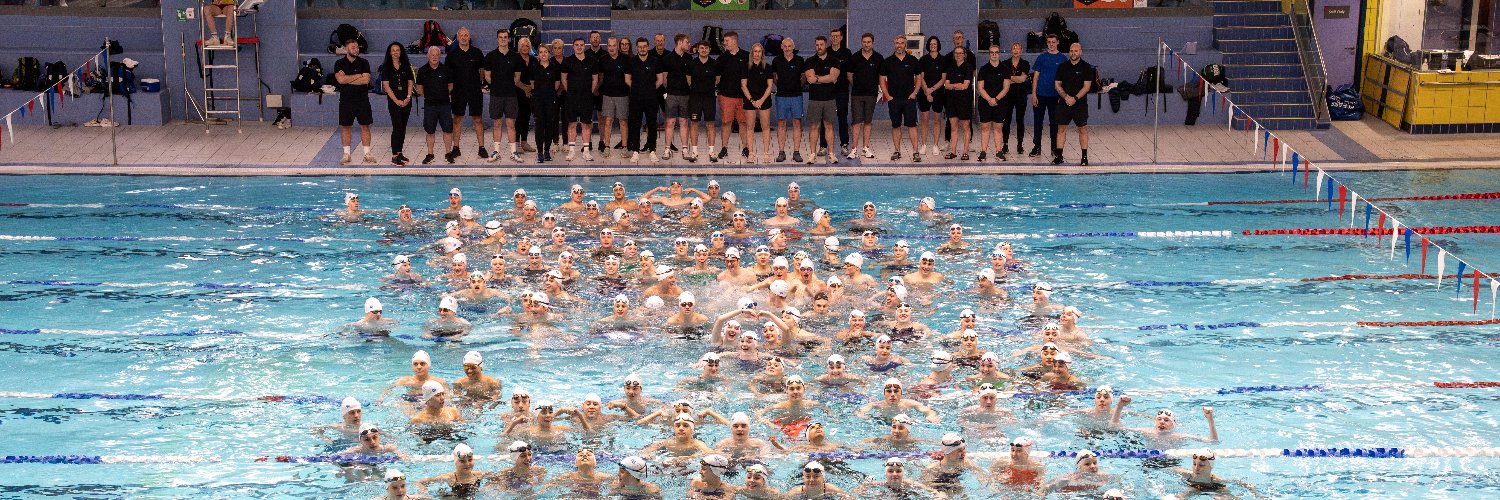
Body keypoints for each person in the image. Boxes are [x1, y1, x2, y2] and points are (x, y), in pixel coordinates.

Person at [483, 29, 525, 163]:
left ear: (509, 39)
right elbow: (487, 76)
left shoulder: (515, 57)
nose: (503, 39)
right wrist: (498, 85)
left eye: (505, 37)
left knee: (510, 123)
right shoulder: (490, 56)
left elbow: (517, 78)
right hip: (496, 95)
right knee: (497, 123)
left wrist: (506, 85)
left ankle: (514, 152)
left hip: (511, 95)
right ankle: (496, 151)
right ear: (497, 39)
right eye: (500, 37)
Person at [446, 27, 488, 161]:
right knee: (457, 119)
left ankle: (481, 148)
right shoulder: (452, 55)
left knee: (478, 119)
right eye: (462, 35)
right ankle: (456, 148)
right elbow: (448, 75)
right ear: (458, 38)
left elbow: (482, 70)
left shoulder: (477, 53)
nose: (464, 37)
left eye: (466, 35)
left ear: (469, 37)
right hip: (458, 92)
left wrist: (479, 83)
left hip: (475, 91)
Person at [333, 39, 374, 165]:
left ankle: (367, 154)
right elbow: (340, 81)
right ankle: (346, 154)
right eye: (353, 47)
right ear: (346, 49)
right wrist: (358, 76)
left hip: (362, 100)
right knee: (346, 127)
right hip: (346, 101)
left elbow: (366, 80)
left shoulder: (364, 62)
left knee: (365, 126)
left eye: (357, 47)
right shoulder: (339, 63)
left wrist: (348, 78)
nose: (356, 49)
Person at [881, 34, 921, 161]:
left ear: (905, 44)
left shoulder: (913, 60)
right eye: (897, 43)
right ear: (894, 44)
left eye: (902, 43)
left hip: (909, 99)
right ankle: (897, 151)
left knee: (912, 126)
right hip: (894, 99)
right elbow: (881, 80)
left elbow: (919, 78)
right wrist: (887, 95)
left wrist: (915, 93)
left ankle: (915, 152)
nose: (899, 45)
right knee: (896, 126)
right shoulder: (887, 61)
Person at [1112, 400, 1221, 447]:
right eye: (1159, 419)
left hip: (1171, 461)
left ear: (1174, 424)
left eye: (1166, 420)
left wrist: (1210, 419)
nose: (1162, 422)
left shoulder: (1179, 436)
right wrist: (1119, 406)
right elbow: (1115, 428)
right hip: (1149, 459)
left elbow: (1213, 441)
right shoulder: (1147, 432)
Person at [803, 36, 842, 166]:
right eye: (817, 45)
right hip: (815, 99)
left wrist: (818, 79)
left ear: (826, 45)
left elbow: (833, 77)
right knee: (814, 127)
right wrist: (826, 78)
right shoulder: (809, 61)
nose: (819, 47)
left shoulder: (834, 61)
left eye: (821, 44)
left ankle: (831, 153)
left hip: (830, 99)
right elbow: (809, 79)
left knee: (829, 126)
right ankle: (813, 154)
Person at [1053, 42, 1094, 166]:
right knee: (1061, 129)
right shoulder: (1062, 67)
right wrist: (1066, 97)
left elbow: (1087, 87)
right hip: (1064, 103)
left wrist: (1074, 98)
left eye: (1076, 51)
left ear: (1080, 52)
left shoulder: (1086, 67)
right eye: (1071, 51)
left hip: (1080, 104)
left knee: (1083, 129)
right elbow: (1057, 84)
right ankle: (1059, 156)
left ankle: (1084, 157)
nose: (1073, 53)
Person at [626, 37, 665, 163]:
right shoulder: (631, 62)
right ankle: (636, 150)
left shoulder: (655, 61)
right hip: (636, 98)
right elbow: (627, 79)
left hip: (651, 98)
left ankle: (652, 150)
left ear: (648, 47)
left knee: (652, 125)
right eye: (640, 46)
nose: (642, 49)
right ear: (636, 48)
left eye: (644, 46)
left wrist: (649, 89)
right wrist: (638, 88)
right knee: (635, 124)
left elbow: (660, 79)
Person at [414, 46, 455, 165]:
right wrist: (431, 95)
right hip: (430, 106)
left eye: (437, 55)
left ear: (440, 56)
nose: (435, 57)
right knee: (430, 131)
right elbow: (419, 88)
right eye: (432, 55)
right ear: (428, 56)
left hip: (444, 105)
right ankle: (430, 154)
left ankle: (448, 154)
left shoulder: (446, 70)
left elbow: (450, 85)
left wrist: (441, 94)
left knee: (448, 130)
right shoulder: (422, 71)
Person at [561, 38, 600, 162]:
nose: (579, 47)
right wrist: (571, 92)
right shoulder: (567, 61)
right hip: (572, 97)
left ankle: (586, 152)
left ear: (585, 46)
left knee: (586, 125)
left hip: (586, 98)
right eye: (576, 45)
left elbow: (595, 79)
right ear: (572, 47)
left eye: (581, 45)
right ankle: (572, 151)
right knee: (571, 124)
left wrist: (589, 92)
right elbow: (563, 79)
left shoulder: (592, 61)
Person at [1029, 34, 1067, 158]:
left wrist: (1063, 95)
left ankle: (1054, 148)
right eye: (1049, 42)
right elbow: (1035, 77)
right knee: (1038, 122)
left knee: (1054, 123)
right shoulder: (1041, 57)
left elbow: (1065, 80)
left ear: (1058, 42)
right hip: (1040, 95)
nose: (1051, 44)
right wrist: (1034, 94)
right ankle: (1037, 146)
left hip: (1055, 96)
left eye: (1053, 42)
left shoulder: (1062, 59)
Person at [1171, 448, 1266, 498]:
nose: (1196, 468)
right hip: (1194, 487)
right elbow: (1167, 470)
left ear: (1211, 467)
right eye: (1194, 464)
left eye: (1201, 465)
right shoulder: (1186, 474)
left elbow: (1239, 482)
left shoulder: (1216, 480)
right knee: (1180, 496)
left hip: (1215, 488)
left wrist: (1256, 493)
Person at [378, 42, 415, 166]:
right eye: (393, 50)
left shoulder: (406, 66)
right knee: (397, 126)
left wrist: (408, 97)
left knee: (403, 127)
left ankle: (399, 152)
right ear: (389, 52)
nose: (395, 52)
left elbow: (410, 83)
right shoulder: (386, 67)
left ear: (401, 52)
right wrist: (396, 100)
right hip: (394, 102)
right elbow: (386, 86)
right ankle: (394, 156)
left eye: (397, 50)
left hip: (406, 101)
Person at [847, 33, 883, 159]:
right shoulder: (855, 57)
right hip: (857, 94)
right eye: (864, 42)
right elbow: (850, 75)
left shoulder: (878, 58)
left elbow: (881, 77)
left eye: (868, 42)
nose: (866, 44)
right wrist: (857, 85)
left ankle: (865, 148)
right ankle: (854, 149)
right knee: (856, 121)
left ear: (872, 43)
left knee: (868, 121)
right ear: (861, 42)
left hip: (871, 94)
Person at [715, 31, 749, 161]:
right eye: (724, 41)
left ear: (735, 41)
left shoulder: (746, 56)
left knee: (743, 123)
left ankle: (746, 148)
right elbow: (717, 77)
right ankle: (724, 148)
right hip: (726, 96)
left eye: (727, 41)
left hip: (743, 97)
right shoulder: (722, 58)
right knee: (726, 122)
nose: (724, 43)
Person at [771, 37, 806, 164]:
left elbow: (803, 77)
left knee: (797, 123)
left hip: (796, 96)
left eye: (789, 46)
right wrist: (781, 86)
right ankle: (781, 152)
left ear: (793, 46)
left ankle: (796, 152)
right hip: (781, 96)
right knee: (781, 124)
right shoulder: (776, 60)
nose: (787, 48)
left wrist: (796, 86)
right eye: (785, 46)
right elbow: (774, 77)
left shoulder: (800, 60)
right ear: (781, 47)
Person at [526, 43, 562, 163]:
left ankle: (547, 151)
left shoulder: (554, 68)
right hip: (537, 101)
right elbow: (532, 83)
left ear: (549, 53)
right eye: (540, 52)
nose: (543, 54)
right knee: (539, 126)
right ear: (538, 55)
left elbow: (557, 85)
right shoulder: (534, 67)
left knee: (549, 126)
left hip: (551, 100)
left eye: (545, 52)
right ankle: (540, 152)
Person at [685, 41, 719, 163]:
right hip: (695, 98)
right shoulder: (692, 63)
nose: (704, 50)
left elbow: (718, 80)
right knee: (694, 123)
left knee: (710, 124)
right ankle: (694, 152)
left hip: (709, 97)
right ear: (698, 50)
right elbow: (688, 79)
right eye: (701, 48)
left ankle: (711, 151)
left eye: (706, 48)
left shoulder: (714, 64)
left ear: (709, 50)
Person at [597, 37, 631, 159]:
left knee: (623, 121)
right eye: (609, 45)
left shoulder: (626, 59)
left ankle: (625, 147)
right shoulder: (603, 60)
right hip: (608, 95)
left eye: (613, 45)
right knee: (608, 121)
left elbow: (629, 78)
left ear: (617, 46)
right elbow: (600, 77)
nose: (611, 48)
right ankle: (607, 147)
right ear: (607, 46)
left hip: (623, 95)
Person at [741, 43, 775, 164]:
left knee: (765, 127)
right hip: (750, 100)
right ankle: (751, 153)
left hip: (764, 99)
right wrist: (752, 100)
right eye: (755, 51)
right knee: (750, 127)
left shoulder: (767, 67)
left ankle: (766, 153)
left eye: (759, 51)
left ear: (762, 53)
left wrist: (761, 100)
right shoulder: (746, 67)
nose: (757, 53)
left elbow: (770, 86)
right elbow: (743, 85)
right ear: (752, 53)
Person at [414, 444, 491, 497]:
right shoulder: (449, 477)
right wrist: (424, 492)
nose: (467, 464)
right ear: (455, 462)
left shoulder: (479, 475)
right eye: (462, 461)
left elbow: (496, 478)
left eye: (470, 460)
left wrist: (487, 487)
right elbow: (419, 482)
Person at [976, 44, 1011, 162]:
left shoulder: (1005, 69)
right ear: (989, 54)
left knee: (998, 127)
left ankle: (998, 151)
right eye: (992, 52)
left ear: (999, 54)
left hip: (1000, 102)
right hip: (985, 102)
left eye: (996, 52)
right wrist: (989, 99)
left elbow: (1006, 87)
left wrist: (995, 99)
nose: (994, 54)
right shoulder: (984, 69)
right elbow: (980, 87)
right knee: (985, 127)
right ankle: (983, 151)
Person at [661, 34, 692, 160]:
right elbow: (664, 79)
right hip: (672, 95)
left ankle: (685, 150)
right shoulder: (667, 59)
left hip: (685, 95)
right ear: (680, 42)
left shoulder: (689, 58)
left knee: (684, 122)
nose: (688, 44)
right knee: (670, 122)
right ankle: (667, 150)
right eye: (687, 42)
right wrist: (671, 90)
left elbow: (690, 78)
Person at [858, 377, 941, 423]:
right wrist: (863, 416)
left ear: (901, 393)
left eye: (896, 391)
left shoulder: (909, 404)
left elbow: (929, 411)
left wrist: (931, 416)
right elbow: (860, 412)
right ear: (884, 393)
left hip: (905, 424)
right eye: (889, 391)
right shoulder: (877, 405)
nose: (893, 394)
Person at [943, 46, 975, 161]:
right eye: (956, 53)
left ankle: (965, 152)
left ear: (964, 54)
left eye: (961, 53)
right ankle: (953, 151)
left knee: (966, 126)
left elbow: (965, 85)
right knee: (953, 127)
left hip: (964, 101)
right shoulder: (950, 67)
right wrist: (957, 86)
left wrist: (953, 86)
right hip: (951, 100)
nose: (958, 55)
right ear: (954, 54)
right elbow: (946, 85)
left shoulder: (968, 67)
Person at [999, 42, 1031, 157]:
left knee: (1020, 120)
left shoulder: (1025, 64)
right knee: (1006, 120)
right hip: (1007, 96)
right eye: (1014, 48)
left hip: (1021, 96)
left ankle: (1019, 145)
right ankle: (1005, 144)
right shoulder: (1005, 64)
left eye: (1018, 48)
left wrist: (1009, 78)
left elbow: (1022, 79)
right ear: (1011, 50)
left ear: (1021, 50)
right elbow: (1004, 80)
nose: (1016, 50)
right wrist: (1014, 79)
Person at [855, 457, 944, 498]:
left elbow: (932, 491)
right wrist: (874, 496)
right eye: (890, 471)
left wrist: (939, 495)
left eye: (898, 471)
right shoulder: (880, 484)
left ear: (903, 473)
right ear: (886, 474)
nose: (894, 474)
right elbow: (857, 490)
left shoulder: (910, 483)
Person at [539, 448, 612, 497]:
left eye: (588, 455)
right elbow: (546, 488)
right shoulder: (567, 477)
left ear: (595, 463)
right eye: (580, 455)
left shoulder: (603, 477)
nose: (584, 455)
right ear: (576, 463)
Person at [917, 36, 946, 161]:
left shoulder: (943, 60)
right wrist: (926, 91)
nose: (933, 45)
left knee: (937, 120)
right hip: (924, 92)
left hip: (938, 93)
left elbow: (943, 78)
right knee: (924, 119)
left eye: (935, 44)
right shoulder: (923, 60)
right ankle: (923, 144)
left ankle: (935, 145)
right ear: (928, 45)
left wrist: (932, 90)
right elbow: (921, 77)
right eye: (931, 44)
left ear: (938, 45)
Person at [1040, 450, 1116, 495]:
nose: (1093, 466)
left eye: (1095, 463)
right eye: (1087, 464)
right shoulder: (1069, 479)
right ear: (1079, 467)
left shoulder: (1104, 476)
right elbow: (1045, 488)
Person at [785, 461, 850, 499]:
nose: (812, 480)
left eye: (816, 476)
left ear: (823, 478)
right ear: (803, 479)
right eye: (808, 476)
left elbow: (850, 497)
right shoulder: (797, 491)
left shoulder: (830, 489)